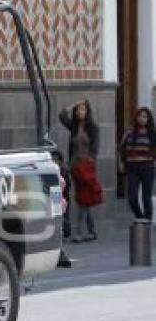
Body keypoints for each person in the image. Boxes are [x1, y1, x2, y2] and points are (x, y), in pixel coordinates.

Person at [59, 99, 102, 242]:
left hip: (87, 168)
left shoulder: (93, 128)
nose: (80, 112)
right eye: (77, 110)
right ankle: (91, 231)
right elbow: (62, 116)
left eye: (83, 109)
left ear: (88, 111)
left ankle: (79, 232)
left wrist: (90, 161)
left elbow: (95, 148)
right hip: (75, 167)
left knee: (83, 199)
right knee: (84, 199)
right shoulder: (74, 126)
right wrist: (73, 103)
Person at [118, 106, 156, 222]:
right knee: (132, 197)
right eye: (140, 116)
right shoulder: (129, 132)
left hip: (148, 167)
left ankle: (147, 219)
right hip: (132, 168)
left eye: (145, 117)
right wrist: (121, 163)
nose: (142, 119)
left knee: (146, 197)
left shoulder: (152, 134)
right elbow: (121, 149)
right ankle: (140, 217)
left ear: (149, 119)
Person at [51, 151, 72, 268]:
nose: (54, 162)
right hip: (56, 205)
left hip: (59, 205)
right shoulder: (54, 173)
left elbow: (63, 190)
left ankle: (60, 255)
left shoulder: (62, 173)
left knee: (60, 230)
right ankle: (59, 255)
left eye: (56, 160)